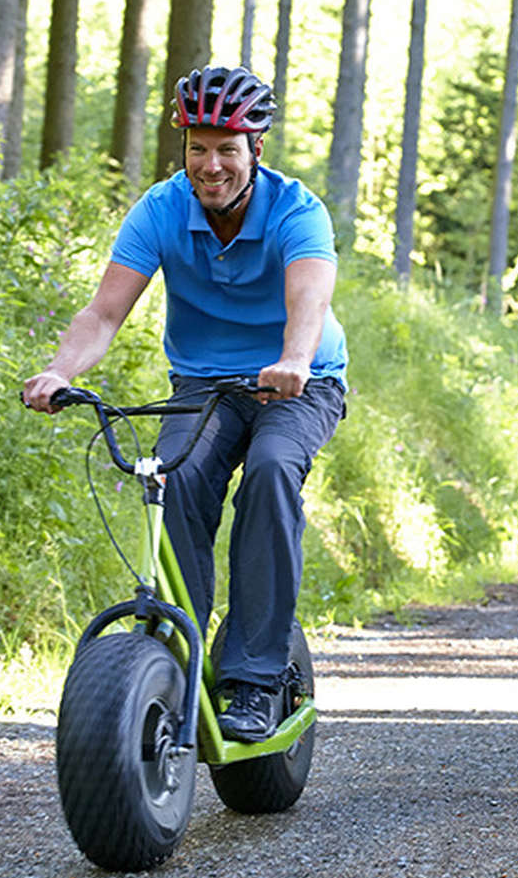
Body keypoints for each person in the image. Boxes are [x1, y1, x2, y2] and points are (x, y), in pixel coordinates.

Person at [22, 64, 347, 743]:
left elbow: (308, 300)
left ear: (256, 149)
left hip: (300, 381)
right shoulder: (162, 208)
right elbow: (104, 314)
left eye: (228, 149)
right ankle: (182, 658)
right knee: (172, 480)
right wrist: (59, 370)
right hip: (203, 385)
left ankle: (256, 679)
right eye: (199, 148)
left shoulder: (296, 210)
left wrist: (292, 358)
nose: (212, 164)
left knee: (270, 472)